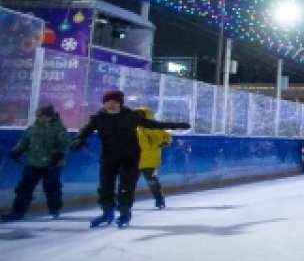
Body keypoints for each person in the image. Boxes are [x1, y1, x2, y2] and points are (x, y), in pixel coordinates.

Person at [70, 90, 190, 228]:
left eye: (114, 102)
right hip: (109, 157)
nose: (111, 105)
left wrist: (177, 125)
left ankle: (124, 213)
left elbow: (153, 125)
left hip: (130, 157)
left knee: (126, 187)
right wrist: (79, 139)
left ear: (120, 103)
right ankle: (107, 212)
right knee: (105, 187)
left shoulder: (130, 116)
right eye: (107, 102)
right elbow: (86, 129)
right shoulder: (99, 117)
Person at [3, 105, 71, 222]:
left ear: (51, 116)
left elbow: (65, 144)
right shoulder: (32, 128)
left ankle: (55, 209)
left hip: (52, 165)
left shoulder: (58, 129)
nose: (43, 119)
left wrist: (59, 154)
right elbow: (24, 142)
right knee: (24, 188)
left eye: (46, 116)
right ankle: (17, 212)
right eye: (40, 116)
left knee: (51, 187)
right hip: (33, 163)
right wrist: (17, 151)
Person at [134, 106, 172, 209]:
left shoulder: (156, 128)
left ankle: (159, 199)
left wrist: (165, 142)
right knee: (130, 182)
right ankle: (125, 202)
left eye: (141, 115)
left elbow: (167, 137)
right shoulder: (132, 128)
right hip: (134, 161)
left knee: (152, 181)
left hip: (150, 161)